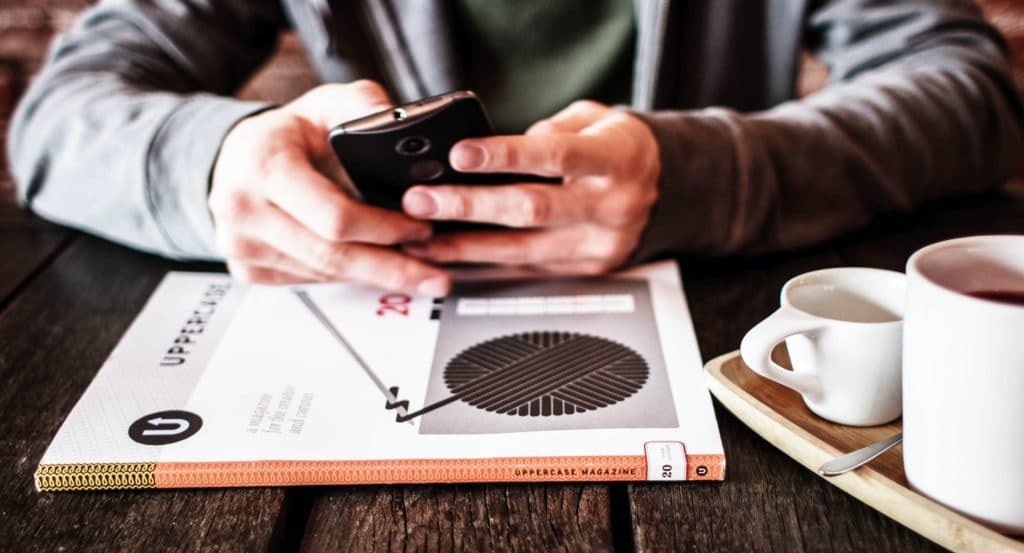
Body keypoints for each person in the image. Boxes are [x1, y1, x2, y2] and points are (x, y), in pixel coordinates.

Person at [7, 1, 1023, 297]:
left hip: (736, 331)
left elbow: (969, 86)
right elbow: (62, 115)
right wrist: (215, 162)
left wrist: (700, 176)